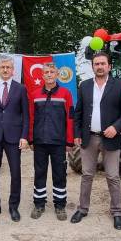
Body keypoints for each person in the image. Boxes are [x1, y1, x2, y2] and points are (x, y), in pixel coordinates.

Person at [71, 52, 121, 230]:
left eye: (102, 63)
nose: (99, 66)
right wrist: (77, 133)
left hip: (111, 138)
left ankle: (117, 212)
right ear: (92, 67)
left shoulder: (119, 85)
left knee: (113, 176)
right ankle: (82, 209)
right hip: (88, 137)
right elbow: (78, 113)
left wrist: (116, 127)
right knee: (87, 175)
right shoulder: (84, 86)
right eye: (96, 64)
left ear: (109, 66)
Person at [0, 55, 30, 222]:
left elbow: (26, 115)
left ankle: (13, 206)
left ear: (13, 70)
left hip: (14, 138)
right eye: (2, 67)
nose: (5, 70)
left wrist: (24, 136)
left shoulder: (21, 89)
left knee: (15, 173)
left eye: (8, 67)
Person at [28, 62, 74, 221]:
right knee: (39, 173)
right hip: (40, 142)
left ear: (56, 74)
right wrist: (31, 139)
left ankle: (60, 205)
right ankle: (39, 204)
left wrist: (69, 141)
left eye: (52, 72)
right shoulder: (34, 95)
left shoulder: (65, 94)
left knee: (59, 174)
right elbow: (31, 118)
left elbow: (70, 119)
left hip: (59, 142)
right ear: (42, 75)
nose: (49, 74)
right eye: (46, 72)